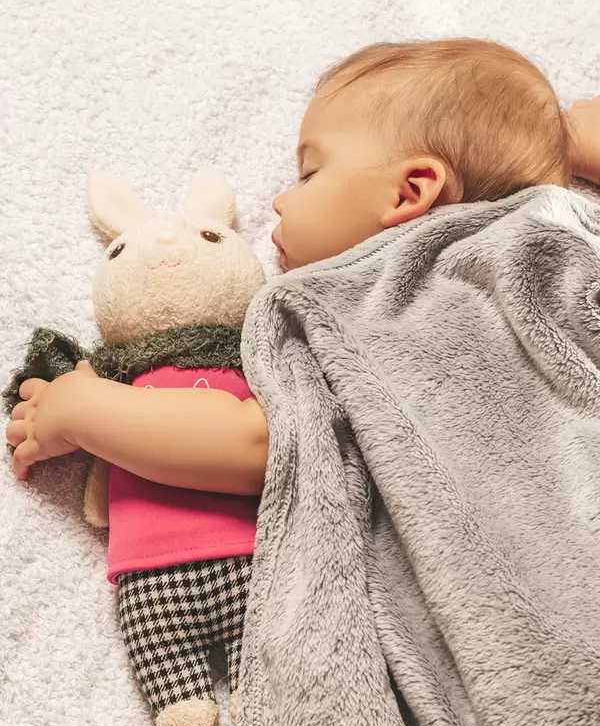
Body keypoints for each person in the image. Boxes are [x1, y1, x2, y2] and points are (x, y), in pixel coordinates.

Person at [6, 38, 600, 489]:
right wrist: (569, 141)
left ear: (408, 194)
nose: (279, 201)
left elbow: (264, 448)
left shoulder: (393, 307)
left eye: (311, 172)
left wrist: (87, 410)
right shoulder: (546, 257)